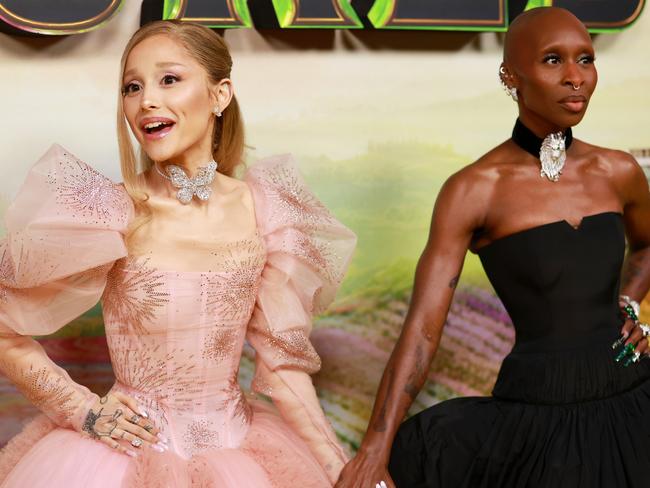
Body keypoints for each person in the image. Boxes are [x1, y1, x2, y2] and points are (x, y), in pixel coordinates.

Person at [0, 20, 356, 487]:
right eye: (132, 86)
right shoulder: (107, 210)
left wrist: (343, 471)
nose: (146, 99)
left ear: (219, 94)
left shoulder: (268, 208)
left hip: (242, 456)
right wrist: (82, 410)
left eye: (169, 79)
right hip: (120, 461)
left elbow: (283, 367)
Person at [336, 7, 650, 488]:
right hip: (539, 419)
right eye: (552, 60)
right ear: (511, 76)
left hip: (634, 398)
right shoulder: (472, 190)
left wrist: (628, 302)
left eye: (585, 60)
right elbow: (422, 331)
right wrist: (373, 451)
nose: (575, 78)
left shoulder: (619, 170)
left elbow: (648, 246)